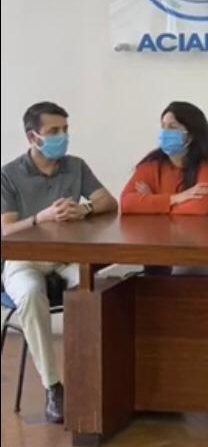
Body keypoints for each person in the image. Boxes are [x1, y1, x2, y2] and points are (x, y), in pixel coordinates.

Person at [1, 102, 118, 423]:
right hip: (24, 261)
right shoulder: (8, 174)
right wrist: (40, 218)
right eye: (54, 131)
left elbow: (109, 202)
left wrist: (85, 209)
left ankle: (102, 379)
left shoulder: (75, 166)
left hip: (69, 259)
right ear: (33, 137)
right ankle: (53, 387)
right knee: (29, 295)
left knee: (107, 288)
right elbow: (6, 230)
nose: (62, 137)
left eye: (65, 130)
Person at [121, 101, 208, 216]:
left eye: (172, 127)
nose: (165, 133)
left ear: (190, 135)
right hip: (160, 228)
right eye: (163, 127)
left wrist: (153, 203)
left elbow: (200, 208)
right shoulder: (152, 163)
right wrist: (175, 198)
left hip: (200, 228)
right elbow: (126, 203)